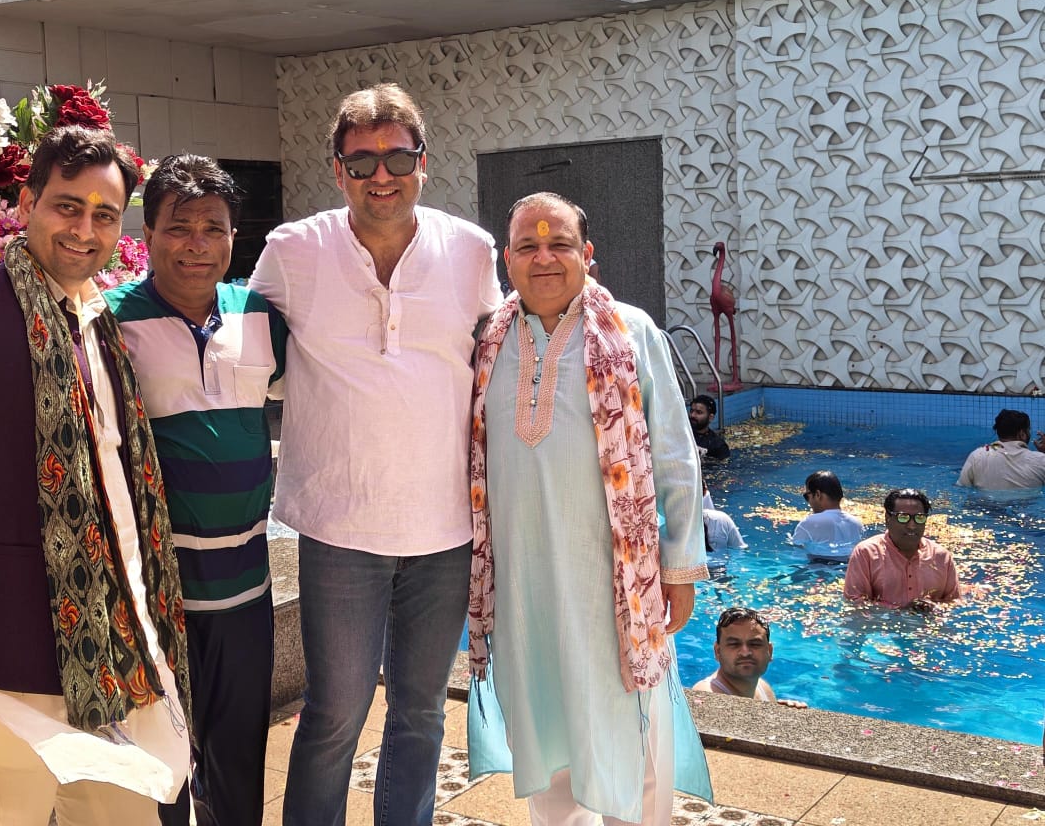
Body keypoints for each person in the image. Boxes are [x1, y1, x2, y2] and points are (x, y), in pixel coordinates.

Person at [0, 125, 192, 825]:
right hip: (2, 650)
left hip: (111, 646)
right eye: (67, 206)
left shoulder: (98, 319)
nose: (85, 230)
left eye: (104, 214)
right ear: (26, 204)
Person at [248, 83, 503, 826]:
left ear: (424, 161)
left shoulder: (471, 251)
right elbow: (241, 352)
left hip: (445, 527)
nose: (380, 175)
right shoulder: (292, 251)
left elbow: (500, 361)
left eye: (397, 157)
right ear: (337, 169)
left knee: (421, 710)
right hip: (339, 524)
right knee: (334, 712)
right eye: (361, 161)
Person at [467, 192, 708, 826]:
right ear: (507, 260)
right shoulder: (488, 341)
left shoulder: (632, 332)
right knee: (546, 737)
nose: (543, 257)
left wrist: (681, 568)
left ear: (588, 254)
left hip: (614, 588)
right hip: (524, 590)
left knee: (633, 738)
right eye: (527, 246)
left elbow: (676, 457)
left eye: (560, 244)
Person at [107, 154, 286, 826]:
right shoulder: (109, 322)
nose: (197, 245)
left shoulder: (260, 315)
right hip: (158, 589)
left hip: (247, 584)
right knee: (159, 759)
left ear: (233, 237)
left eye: (214, 228)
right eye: (179, 228)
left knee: (239, 749)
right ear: (149, 233)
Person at [844, 488, 961, 610]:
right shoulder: (865, 553)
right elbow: (855, 603)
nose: (912, 526)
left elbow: (955, 603)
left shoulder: (942, 557)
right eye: (903, 517)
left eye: (919, 518)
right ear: (887, 518)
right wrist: (900, 611)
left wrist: (935, 608)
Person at [692, 607, 806, 708]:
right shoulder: (707, 694)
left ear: (769, 651)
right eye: (734, 644)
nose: (745, 653)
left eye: (754, 644)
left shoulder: (763, 688)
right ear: (718, 652)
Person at [956, 409, 1045, 490]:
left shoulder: (977, 455)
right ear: (1022, 434)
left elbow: (961, 488)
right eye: (1028, 430)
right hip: (1027, 502)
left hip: (986, 502)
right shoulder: (1041, 460)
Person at [789, 470, 864, 561]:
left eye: (807, 496)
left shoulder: (809, 523)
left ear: (818, 494)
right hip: (850, 566)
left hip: (819, 567)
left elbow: (796, 555)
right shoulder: (857, 523)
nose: (808, 502)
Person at [688, 394, 729, 461]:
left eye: (699, 412)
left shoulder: (718, 445)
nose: (692, 415)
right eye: (691, 411)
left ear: (710, 417)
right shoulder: (681, 434)